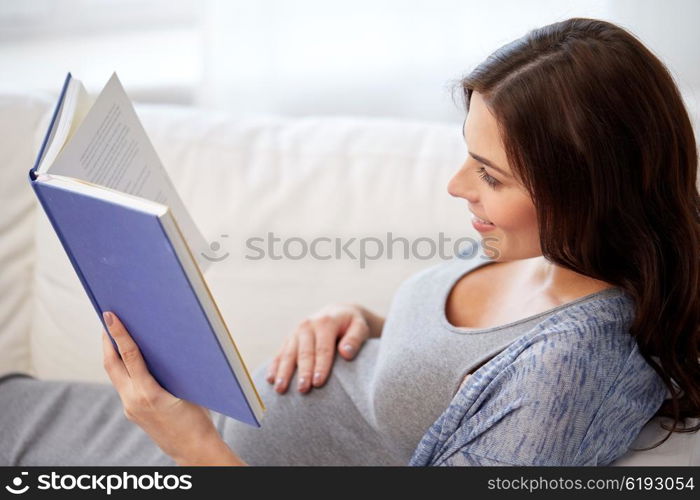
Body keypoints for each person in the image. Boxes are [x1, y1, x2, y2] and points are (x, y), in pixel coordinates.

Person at [1, 16, 698, 466]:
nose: (458, 187)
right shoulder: (534, 248)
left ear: (585, 193)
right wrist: (362, 325)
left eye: (489, 174)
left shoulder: (565, 375)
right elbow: (458, 369)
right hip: (184, 430)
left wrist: (185, 442)